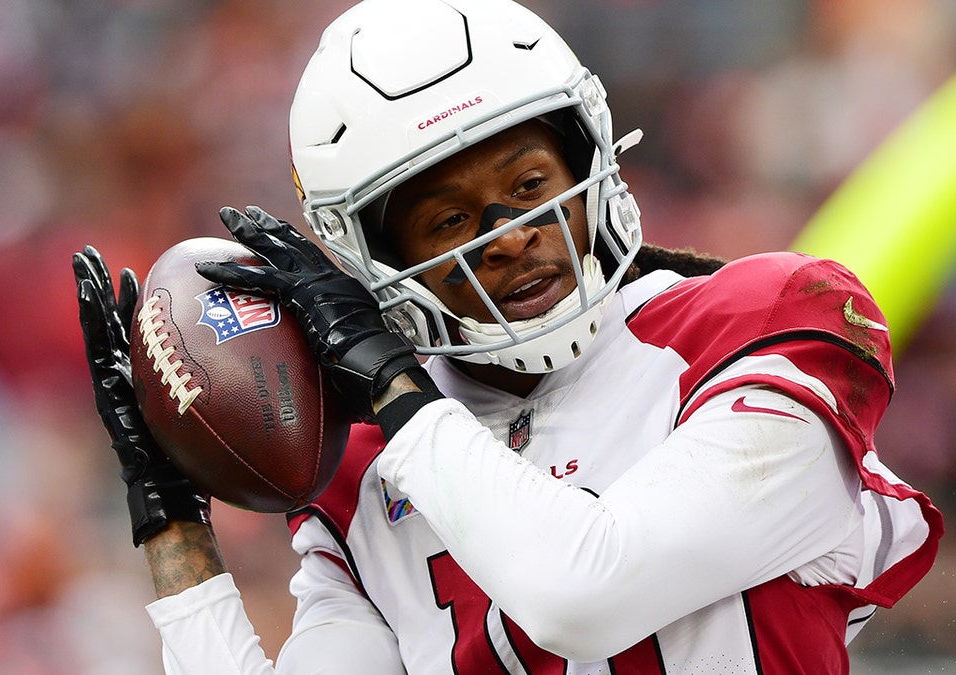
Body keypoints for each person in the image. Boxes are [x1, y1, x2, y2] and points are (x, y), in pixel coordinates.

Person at [73, 0, 944, 672]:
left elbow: (587, 591)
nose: (512, 235)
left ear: (590, 162)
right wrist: (175, 530)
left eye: (530, 184)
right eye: (450, 219)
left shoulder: (762, 320)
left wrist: (396, 391)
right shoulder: (368, 465)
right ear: (371, 260)